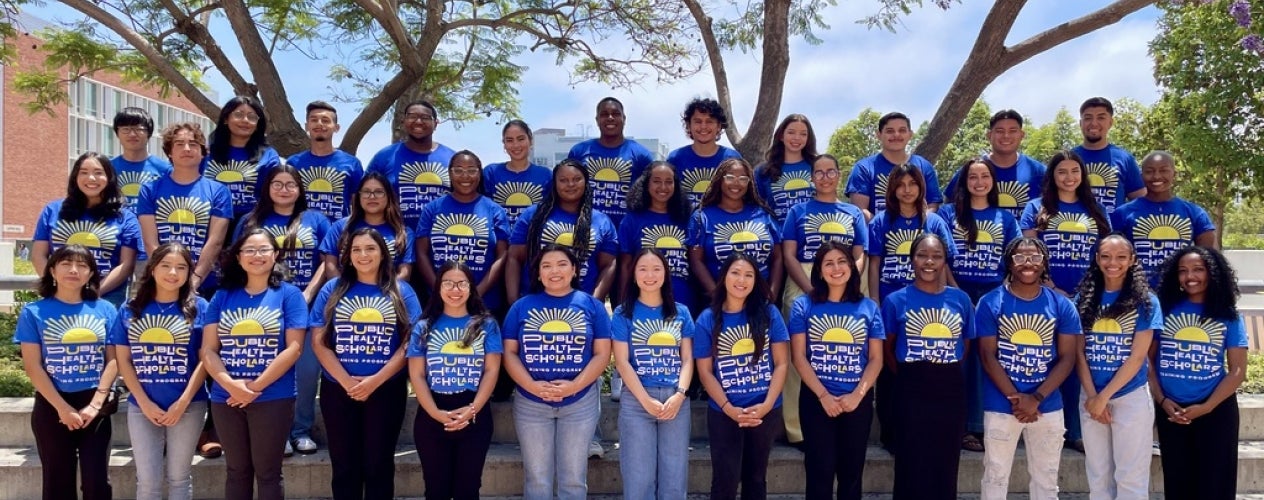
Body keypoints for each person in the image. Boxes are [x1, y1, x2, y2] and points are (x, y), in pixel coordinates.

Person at [310, 227, 421, 499]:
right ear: (347, 255)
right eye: (356, 249)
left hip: (385, 389)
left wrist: (375, 380)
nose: (363, 255)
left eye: (370, 248)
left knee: (379, 466)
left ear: (383, 254)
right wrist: (347, 382)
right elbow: (319, 342)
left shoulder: (401, 291)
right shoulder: (331, 289)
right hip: (338, 389)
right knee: (345, 468)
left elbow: (410, 343)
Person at [201, 229, 307, 500]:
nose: (256, 256)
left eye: (263, 250)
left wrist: (255, 386)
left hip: (273, 396)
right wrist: (229, 385)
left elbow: (294, 348)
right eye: (249, 250)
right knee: (236, 471)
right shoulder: (222, 296)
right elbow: (209, 349)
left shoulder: (289, 294)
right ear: (238, 256)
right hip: (226, 398)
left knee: (268, 473)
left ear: (275, 255)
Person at [235, 164, 331, 456]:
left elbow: (328, 261)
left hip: (306, 307)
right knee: (268, 369)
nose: (284, 189)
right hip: (261, 308)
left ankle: (300, 430)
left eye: (291, 184)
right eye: (278, 183)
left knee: (306, 371)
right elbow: (238, 258)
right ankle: (276, 433)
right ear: (267, 187)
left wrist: (308, 293)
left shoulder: (315, 219)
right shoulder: (251, 220)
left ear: (300, 189)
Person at [501, 245, 612, 500]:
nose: (554, 271)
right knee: (537, 479)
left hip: (579, 402)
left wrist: (573, 386)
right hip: (531, 403)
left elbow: (602, 354)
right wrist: (531, 385)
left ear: (574, 270)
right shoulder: (521, 307)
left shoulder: (592, 306)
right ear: (538, 274)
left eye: (562, 264)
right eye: (546, 266)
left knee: (573, 480)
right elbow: (509, 354)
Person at [976, 237, 1082, 500]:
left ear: (1044, 262)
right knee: (995, 475)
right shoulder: (991, 302)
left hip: (1047, 404)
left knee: (1046, 480)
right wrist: (1017, 398)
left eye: (1035, 257)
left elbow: (1068, 358)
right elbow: (988, 356)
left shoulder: (1062, 305)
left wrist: (1035, 398)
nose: (1028, 263)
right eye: (1020, 257)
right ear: (1009, 263)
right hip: (1002, 405)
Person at [1021, 150, 1111, 450]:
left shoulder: (1096, 210)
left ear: (1082, 175)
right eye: (1062, 172)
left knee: (1080, 360)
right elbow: (1029, 254)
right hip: (1048, 296)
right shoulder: (1036, 208)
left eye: (1074, 171)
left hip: (1087, 297)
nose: (1069, 177)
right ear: (1052, 176)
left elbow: (1105, 255)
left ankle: (1077, 431)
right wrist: (1052, 287)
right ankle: (1044, 425)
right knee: (1051, 360)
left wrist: (1085, 291)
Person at [17, 245, 119, 500]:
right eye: (66, 263)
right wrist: (62, 408)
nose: (74, 270)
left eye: (82, 265)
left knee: (96, 482)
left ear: (90, 274)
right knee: (57, 481)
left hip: (94, 405)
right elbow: (33, 366)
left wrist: (96, 404)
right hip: (52, 404)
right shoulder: (34, 312)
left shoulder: (105, 309)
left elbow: (114, 361)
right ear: (52, 270)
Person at [780, 153, 867, 447]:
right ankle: (796, 428)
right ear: (812, 177)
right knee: (799, 355)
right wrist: (811, 289)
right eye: (819, 172)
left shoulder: (852, 212)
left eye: (831, 171)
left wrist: (847, 282)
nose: (825, 177)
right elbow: (789, 254)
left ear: (839, 175)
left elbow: (859, 254)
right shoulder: (798, 211)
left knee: (843, 347)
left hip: (845, 280)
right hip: (804, 280)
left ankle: (847, 409)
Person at [110, 243, 209, 500]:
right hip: (142, 407)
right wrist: (144, 402)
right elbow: (124, 360)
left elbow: (205, 359)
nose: (173, 273)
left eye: (181, 267)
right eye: (166, 265)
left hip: (188, 406)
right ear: (152, 268)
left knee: (179, 478)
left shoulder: (200, 307)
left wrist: (183, 402)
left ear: (189, 272)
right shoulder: (130, 309)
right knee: (148, 482)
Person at [880, 234, 974, 499]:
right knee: (911, 461)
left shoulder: (961, 301)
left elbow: (964, 345)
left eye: (936, 256)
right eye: (922, 255)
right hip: (910, 387)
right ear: (912, 260)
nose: (929, 261)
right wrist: (911, 374)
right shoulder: (895, 301)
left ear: (945, 261)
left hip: (949, 388)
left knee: (945, 462)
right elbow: (888, 347)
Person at [1150, 246, 1247, 499]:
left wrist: (1207, 407)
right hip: (1171, 410)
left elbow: (1237, 370)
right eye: (1183, 271)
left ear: (1212, 273)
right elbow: (1148, 361)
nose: (1190, 276)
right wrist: (1161, 400)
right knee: (1178, 484)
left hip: (1216, 410)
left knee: (1216, 486)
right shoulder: (1164, 309)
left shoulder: (1228, 314)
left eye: (1198, 269)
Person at [789, 241, 884, 500]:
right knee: (819, 473)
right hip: (816, 401)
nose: (836, 268)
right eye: (828, 263)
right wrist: (823, 396)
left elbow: (876, 359)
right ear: (819, 271)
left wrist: (857, 395)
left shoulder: (869, 308)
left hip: (857, 401)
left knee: (851, 475)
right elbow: (798, 357)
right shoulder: (803, 306)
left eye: (842, 261)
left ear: (853, 267)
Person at [938, 157, 1022, 451]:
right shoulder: (949, 215)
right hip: (956, 293)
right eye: (972, 177)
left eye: (984, 176)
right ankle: (961, 426)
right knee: (960, 359)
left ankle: (987, 424)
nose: (979, 182)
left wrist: (997, 296)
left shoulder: (1006, 219)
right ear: (964, 182)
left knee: (990, 359)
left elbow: (1014, 258)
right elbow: (942, 257)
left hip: (993, 295)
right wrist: (957, 292)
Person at [1073, 235, 1161, 499]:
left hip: (1130, 396)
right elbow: (1078, 352)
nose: (1114, 263)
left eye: (1121, 256)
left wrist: (1104, 397)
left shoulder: (1145, 301)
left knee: (1130, 477)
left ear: (1132, 260)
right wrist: (1092, 397)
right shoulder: (1084, 298)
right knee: (1098, 476)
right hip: (1090, 396)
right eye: (1107, 256)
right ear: (1098, 259)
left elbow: (1137, 357)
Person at [695, 252, 789, 500]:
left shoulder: (769, 313)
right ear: (724, 277)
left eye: (749, 275)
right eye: (735, 273)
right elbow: (705, 372)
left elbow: (781, 363)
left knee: (756, 480)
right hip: (724, 412)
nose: (741, 280)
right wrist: (728, 408)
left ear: (756, 280)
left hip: (764, 410)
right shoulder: (707, 318)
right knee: (724, 482)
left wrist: (767, 405)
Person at [407, 261, 502, 500]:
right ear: (438, 287)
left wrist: (472, 410)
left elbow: (491, 371)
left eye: (462, 283)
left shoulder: (486, 325)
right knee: (435, 489)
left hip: (474, 414)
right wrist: (435, 413)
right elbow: (417, 375)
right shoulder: (423, 326)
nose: (455, 289)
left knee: (468, 490)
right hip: (432, 414)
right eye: (448, 283)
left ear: (471, 288)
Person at [612, 249, 695, 500]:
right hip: (638, 400)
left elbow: (688, 358)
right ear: (634, 275)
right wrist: (645, 400)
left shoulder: (681, 312)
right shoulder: (622, 313)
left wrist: (680, 394)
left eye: (657, 269)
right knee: (639, 479)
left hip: (675, 400)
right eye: (643, 269)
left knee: (674, 477)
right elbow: (622, 362)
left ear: (666, 274)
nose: (650, 275)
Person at [33, 152, 142, 307]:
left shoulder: (126, 218)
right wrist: (61, 288)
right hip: (59, 296)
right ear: (75, 177)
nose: (91, 178)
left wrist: (96, 291)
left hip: (106, 299)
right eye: (83, 172)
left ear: (109, 177)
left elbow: (126, 265)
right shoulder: (52, 210)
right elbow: (39, 255)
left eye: (98, 173)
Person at [136, 123, 232, 298]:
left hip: (205, 283)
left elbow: (215, 242)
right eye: (179, 144)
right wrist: (166, 276)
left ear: (203, 152)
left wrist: (194, 281)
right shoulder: (150, 190)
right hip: (161, 282)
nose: (187, 149)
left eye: (193, 144)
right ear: (170, 152)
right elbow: (150, 242)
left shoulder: (219, 191)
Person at [507, 159, 618, 303]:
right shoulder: (533, 215)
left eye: (577, 179)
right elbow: (514, 258)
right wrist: (513, 301)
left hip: (580, 304)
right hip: (533, 301)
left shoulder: (602, 221)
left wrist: (594, 302)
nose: (570, 184)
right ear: (555, 183)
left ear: (586, 182)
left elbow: (609, 265)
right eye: (563, 180)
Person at [415, 150, 510, 311]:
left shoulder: (494, 210)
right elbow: (421, 253)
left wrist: (477, 293)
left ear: (479, 174)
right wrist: (441, 291)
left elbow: (502, 256)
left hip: (484, 303)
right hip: (439, 304)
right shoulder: (432, 209)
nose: (465, 176)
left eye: (472, 170)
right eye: (458, 170)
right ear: (450, 174)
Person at [1110, 150, 1216, 287]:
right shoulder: (1123, 213)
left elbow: (1208, 259)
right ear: (1141, 176)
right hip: (1137, 295)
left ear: (1174, 174)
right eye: (1149, 171)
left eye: (1164, 170)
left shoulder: (1194, 213)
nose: (1157, 176)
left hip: (1179, 294)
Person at [689, 158, 784, 300]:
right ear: (720, 180)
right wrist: (718, 298)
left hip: (761, 300)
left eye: (743, 179)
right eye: (730, 177)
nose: (736, 183)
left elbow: (777, 258)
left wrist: (772, 295)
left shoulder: (763, 214)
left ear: (749, 183)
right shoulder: (702, 217)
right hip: (720, 302)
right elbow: (696, 261)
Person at [866, 163, 956, 303]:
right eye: (900, 184)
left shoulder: (935, 223)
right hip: (889, 298)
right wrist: (874, 301)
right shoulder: (879, 222)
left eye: (912, 183)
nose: (907, 190)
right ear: (893, 188)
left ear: (920, 186)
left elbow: (943, 265)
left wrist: (940, 299)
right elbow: (874, 264)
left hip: (927, 298)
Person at [366, 100, 457, 229]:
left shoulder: (452, 159)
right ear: (403, 121)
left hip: (440, 241)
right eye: (412, 116)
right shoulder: (384, 156)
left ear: (436, 124)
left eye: (425, 117)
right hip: (394, 238)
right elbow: (364, 197)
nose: (418, 121)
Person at [566, 96, 655, 228]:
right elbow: (567, 190)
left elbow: (652, 195)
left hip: (626, 230)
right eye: (604, 114)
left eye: (616, 114)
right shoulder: (579, 151)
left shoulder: (641, 155)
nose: (610, 118)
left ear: (624, 119)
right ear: (597, 120)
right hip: (586, 229)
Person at [619, 161, 695, 311]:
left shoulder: (687, 219)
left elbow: (695, 262)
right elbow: (625, 266)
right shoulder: (632, 220)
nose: (663, 187)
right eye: (656, 181)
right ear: (646, 184)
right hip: (644, 300)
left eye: (669, 182)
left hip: (683, 299)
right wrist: (623, 303)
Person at [942, 109, 1045, 220]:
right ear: (989, 135)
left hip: (1025, 236)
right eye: (1000, 131)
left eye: (1012, 130)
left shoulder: (1039, 171)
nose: (1006, 135)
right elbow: (949, 203)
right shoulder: (970, 170)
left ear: (1022, 135)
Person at [845, 111, 943, 220]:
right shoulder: (864, 168)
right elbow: (859, 210)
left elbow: (933, 206)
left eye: (902, 130)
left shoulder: (924, 166)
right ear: (878, 134)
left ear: (910, 134)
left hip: (919, 234)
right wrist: (883, 228)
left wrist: (917, 227)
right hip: (877, 235)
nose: (896, 135)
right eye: (890, 131)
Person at [320, 172, 415, 282]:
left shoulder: (404, 232)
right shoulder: (341, 227)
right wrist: (343, 292)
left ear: (389, 196)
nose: (372, 197)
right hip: (345, 295)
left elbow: (404, 274)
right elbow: (331, 265)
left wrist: (379, 296)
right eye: (366, 192)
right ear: (358, 196)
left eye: (379, 192)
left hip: (387, 295)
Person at [203, 96, 281, 222]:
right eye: (238, 115)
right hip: (208, 222)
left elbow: (274, 195)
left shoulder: (268, 155)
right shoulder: (207, 152)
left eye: (252, 117)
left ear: (257, 125)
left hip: (249, 224)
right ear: (226, 119)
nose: (245, 120)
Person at [287, 101, 365, 223]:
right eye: (314, 120)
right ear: (307, 126)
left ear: (336, 127)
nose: (319, 124)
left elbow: (359, 205)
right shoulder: (293, 163)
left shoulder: (352, 164)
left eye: (325, 120)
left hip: (339, 234)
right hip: (302, 234)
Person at [1072, 97, 1146, 214]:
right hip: (1074, 230)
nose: (1094, 123)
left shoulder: (1125, 159)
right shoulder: (1067, 159)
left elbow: (1141, 202)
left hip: (1111, 231)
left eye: (1101, 118)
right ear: (1081, 123)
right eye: (1088, 118)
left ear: (1110, 122)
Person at [665, 98, 742, 207]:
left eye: (709, 121)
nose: (703, 126)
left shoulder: (732, 159)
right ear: (688, 125)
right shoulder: (675, 158)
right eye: (698, 121)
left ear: (719, 126)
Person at [483, 119, 552, 228]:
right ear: (504, 144)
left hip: (532, 241)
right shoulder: (491, 172)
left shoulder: (546, 175)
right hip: (499, 241)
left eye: (521, 139)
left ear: (531, 140)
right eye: (509, 140)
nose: (516, 145)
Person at [756, 114, 819, 223]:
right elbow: (755, 208)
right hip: (779, 237)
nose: (797, 138)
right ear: (781, 136)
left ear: (808, 138)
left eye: (803, 134)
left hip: (813, 234)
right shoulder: (764, 171)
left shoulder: (817, 166)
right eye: (791, 132)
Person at [111, 106, 172, 211]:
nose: (132, 134)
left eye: (138, 129)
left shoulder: (165, 169)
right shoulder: (107, 168)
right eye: (125, 129)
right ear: (117, 133)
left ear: (149, 133)